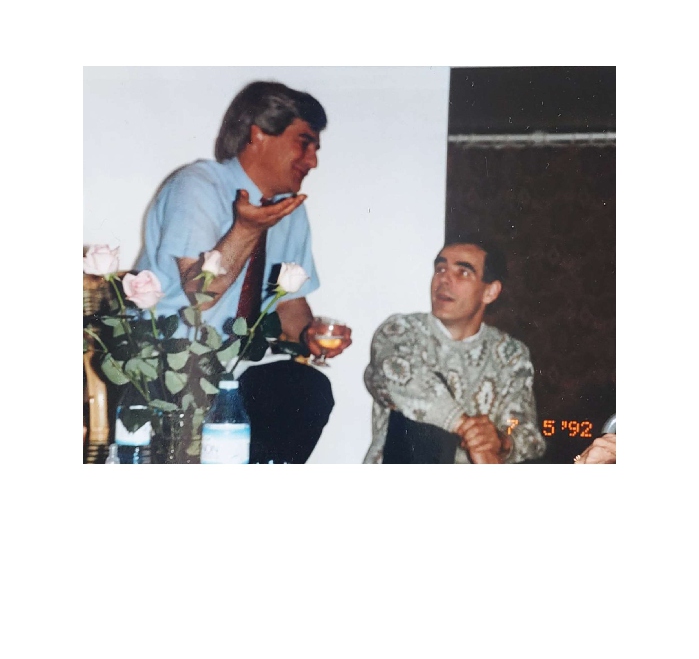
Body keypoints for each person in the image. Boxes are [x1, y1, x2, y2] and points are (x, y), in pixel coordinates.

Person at [135, 80, 351, 463]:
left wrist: (310, 334)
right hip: (168, 365)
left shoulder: (290, 210)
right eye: (304, 143)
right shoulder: (198, 186)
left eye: (316, 148)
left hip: (233, 374)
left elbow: (288, 304)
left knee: (307, 389)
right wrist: (246, 229)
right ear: (258, 134)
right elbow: (201, 294)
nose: (313, 160)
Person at [363, 237, 546, 464]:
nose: (444, 280)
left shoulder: (512, 354)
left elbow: (522, 429)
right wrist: (464, 426)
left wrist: (501, 441)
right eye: (440, 269)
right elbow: (406, 380)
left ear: (490, 292)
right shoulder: (401, 332)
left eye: (463, 272)